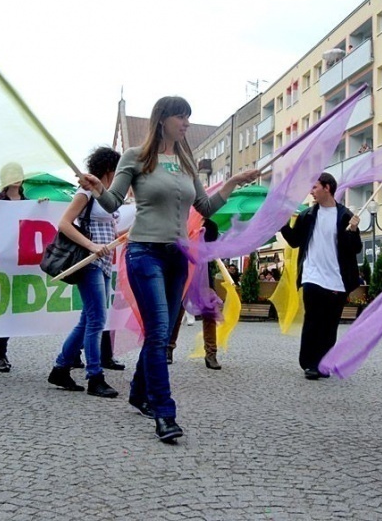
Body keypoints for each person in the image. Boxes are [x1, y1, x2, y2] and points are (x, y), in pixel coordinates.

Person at [80, 95, 258, 443]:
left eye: (188, 117)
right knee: (160, 333)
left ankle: (137, 391)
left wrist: (233, 182)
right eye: (181, 116)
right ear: (162, 119)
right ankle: (164, 412)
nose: (187, 123)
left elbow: (205, 206)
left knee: (159, 332)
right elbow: (113, 202)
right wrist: (99, 188)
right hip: (144, 252)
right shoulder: (135, 157)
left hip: (178, 256)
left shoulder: (186, 162)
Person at [48, 147, 122, 397]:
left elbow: (111, 230)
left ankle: (60, 368)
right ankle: (94, 377)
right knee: (97, 319)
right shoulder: (86, 192)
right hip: (89, 261)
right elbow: (64, 223)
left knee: (87, 319)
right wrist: (91, 246)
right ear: (110, 170)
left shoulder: (109, 196)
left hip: (103, 263)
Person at [279, 172, 362, 380]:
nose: (311, 191)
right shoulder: (307, 215)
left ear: (327, 188)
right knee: (313, 319)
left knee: (330, 323)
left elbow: (355, 249)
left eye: (315, 187)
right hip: (312, 275)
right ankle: (309, 363)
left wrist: (352, 230)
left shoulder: (345, 216)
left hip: (336, 279)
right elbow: (295, 241)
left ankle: (324, 362)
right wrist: (280, 223)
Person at [0, 162, 31, 372]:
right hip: (1, 262)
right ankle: (0, 355)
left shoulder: (30, 203)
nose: (16, 176)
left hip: (21, 263)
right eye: (11, 173)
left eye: (19, 173)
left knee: (13, 309)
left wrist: (42, 208)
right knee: (2, 309)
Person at [167, 219, 223, 370]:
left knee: (209, 312)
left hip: (203, 276)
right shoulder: (180, 221)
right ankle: (168, 349)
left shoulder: (210, 226)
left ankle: (211, 354)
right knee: (177, 311)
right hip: (181, 272)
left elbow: (210, 250)